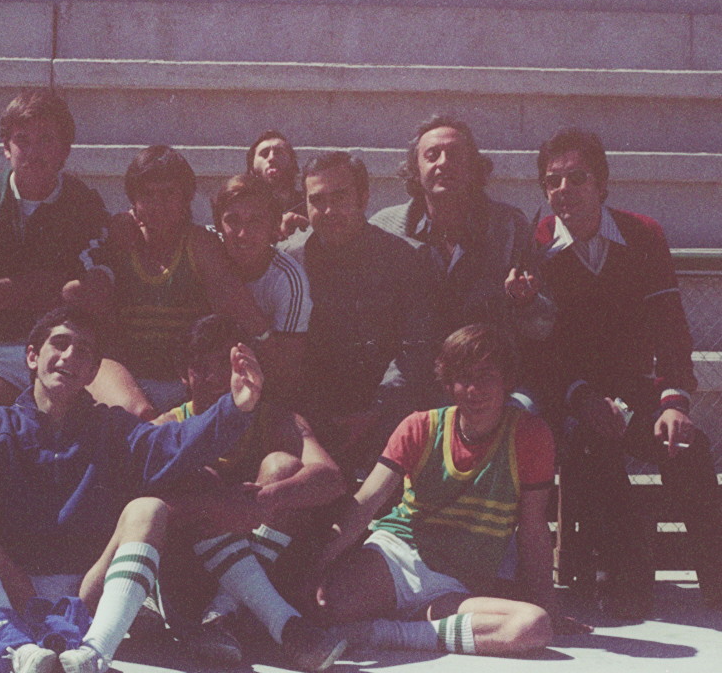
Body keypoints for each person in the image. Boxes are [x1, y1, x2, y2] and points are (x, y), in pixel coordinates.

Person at [0, 305, 346, 673]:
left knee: (148, 509)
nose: (69, 356)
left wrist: (235, 408)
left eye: (85, 352)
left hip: (89, 593)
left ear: (94, 372)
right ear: (32, 356)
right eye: (59, 344)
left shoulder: (114, 431)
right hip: (15, 587)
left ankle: (94, 655)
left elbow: (176, 444)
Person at [514, 128, 722, 618]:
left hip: (634, 391)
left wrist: (673, 402)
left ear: (602, 184)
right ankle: (623, 581)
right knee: (590, 444)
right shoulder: (534, 245)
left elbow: (671, 328)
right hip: (571, 397)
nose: (564, 190)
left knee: (688, 446)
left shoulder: (643, 235)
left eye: (577, 177)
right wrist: (582, 397)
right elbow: (539, 352)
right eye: (552, 181)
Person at [313, 323, 562, 657]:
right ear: (447, 383)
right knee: (320, 608)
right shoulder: (420, 426)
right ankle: (408, 627)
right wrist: (319, 566)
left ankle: (383, 632)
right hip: (396, 557)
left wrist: (548, 603)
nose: (474, 389)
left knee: (534, 626)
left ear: (507, 380)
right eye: (463, 377)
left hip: (457, 584)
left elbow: (532, 527)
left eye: (486, 376)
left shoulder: (529, 435)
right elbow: (366, 502)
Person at [153, 315, 344, 664]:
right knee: (197, 478)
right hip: (192, 569)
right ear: (183, 374)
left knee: (282, 467)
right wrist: (216, 506)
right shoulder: (166, 426)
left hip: (265, 557)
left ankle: (225, 612)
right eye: (202, 368)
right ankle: (269, 618)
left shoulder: (274, 419)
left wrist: (264, 500)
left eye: (226, 366)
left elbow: (331, 478)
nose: (215, 379)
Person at [65, 146, 270, 418]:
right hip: (126, 376)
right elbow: (76, 297)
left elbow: (239, 311)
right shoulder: (119, 240)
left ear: (186, 198)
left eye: (168, 194)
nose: (158, 205)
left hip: (187, 379)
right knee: (140, 412)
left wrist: (269, 351)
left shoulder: (199, 245)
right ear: (133, 201)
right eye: (147, 195)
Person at [0, 90, 107, 411]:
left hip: (69, 348)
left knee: (132, 410)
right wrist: (48, 285)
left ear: (64, 150)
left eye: (46, 140)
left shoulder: (83, 201)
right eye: (22, 140)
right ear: (6, 147)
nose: (33, 151)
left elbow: (96, 295)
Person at [283, 151, 438, 475]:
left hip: (385, 408)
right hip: (308, 413)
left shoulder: (407, 259)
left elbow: (415, 351)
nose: (328, 211)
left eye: (340, 197)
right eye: (317, 200)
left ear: (363, 198)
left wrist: (377, 412)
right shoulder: (289, 260)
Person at [371, 115, 554, 345]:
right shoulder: (384, 229)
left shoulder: (509, 226)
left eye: (455, 155)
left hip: (485, 362)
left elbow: (542, 327)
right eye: (432, 155)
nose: (443, 163)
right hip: (411, 365)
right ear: (416, 169)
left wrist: (525, 302)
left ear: (472, 167)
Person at [212, 173, 312, 396]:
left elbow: (287, 372)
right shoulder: (207, 248)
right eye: (233, 220)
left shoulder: (288, 280)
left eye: (255, 221)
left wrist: (251, 318)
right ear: (219, 224)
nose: (243, 234)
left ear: (273, 227)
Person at [246, 129, 308, 238]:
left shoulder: (308, 205)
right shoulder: (242, 207)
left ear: (292, 163)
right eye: (264, 154)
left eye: (279, 152)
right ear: (252, 167)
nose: (272, 158)